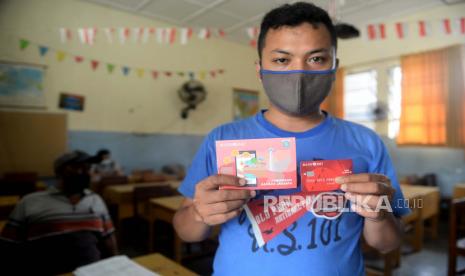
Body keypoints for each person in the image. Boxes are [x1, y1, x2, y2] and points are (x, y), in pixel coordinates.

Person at [173, 2, 409, 275]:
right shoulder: (223, 138)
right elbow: (186, 231)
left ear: (333, 68)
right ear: (260, 69)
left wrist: (378, 214)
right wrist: (199, 213)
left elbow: (387, 243)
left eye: (316, 59)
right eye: (282, 60)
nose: (299, 73)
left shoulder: (367, 143)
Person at [0, 150, 117, 275]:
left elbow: (108, 237)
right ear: (60, 171)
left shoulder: (95, 199)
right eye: (77, 167)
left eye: (88, 167)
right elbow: (9, 246)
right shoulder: (30, 202)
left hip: (91, 271)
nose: (85, 171)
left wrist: (116, 264)